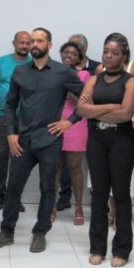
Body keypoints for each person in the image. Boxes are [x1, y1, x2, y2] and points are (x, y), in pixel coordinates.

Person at [0, 27, 84, 253]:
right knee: (13, 187)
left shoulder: (63, 72)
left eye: (40, 41)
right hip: (22, 140)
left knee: (48, 188)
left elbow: (86, 99)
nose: (35, 45)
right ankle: (7, 231)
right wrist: (10, 133)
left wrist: (69, 121)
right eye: (32, 41)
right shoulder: (20, 72)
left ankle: (40, 232)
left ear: (49, 45)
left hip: (50, 140)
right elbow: (10, 104)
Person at [77, 33, 134, 267]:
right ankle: (97, 247)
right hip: (97, 140)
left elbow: (126, 114)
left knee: (121, 194)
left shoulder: (130, 81)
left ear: (124, 56)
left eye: (115, 53)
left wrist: (96, 110)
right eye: (106, 52)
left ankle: (121, 249)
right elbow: (82, 110)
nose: (109, 56)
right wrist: (111, 106)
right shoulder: (94, 79)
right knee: (99, 193)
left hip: (122, 140)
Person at [0, 31, 31, 210]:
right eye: (21, 42)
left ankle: (14, 197)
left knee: (20, 158)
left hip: (25, 118)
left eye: (28, 43)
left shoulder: (34, 64)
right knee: (1, 155)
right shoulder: (1, 62)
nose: (24, 46)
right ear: (14, 43)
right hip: (0, 116)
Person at [57, 41, 90, 225]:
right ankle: (50, 207)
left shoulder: (84, 75)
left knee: (75, 167)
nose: (68, 56)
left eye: (73, 54)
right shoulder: (54, 73)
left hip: (76, 122)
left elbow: (84, 104)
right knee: (54, 167)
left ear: (79, 58)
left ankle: (78, 206)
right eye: (66, 52)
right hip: (55, 121)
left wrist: (68, 89)